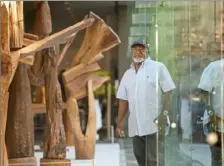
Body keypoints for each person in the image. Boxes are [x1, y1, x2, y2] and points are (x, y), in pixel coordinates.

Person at [116, 39, 176, 166]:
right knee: (141, 160)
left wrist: (164, 114)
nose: (138, 51)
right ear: (131, 52)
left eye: (141, 49)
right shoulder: (127, 74)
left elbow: (168, 91)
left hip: (154, 124)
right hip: (136, 126)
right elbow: (123, 99)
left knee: (155, 161)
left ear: (147, 51)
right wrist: (119, 122)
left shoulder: (158, 67)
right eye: (135, 49)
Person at [197, 58, 224, 166]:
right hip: (216, 122)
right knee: (218, 158)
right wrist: (213, 115)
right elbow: (204, 92)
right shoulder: (215, 67)